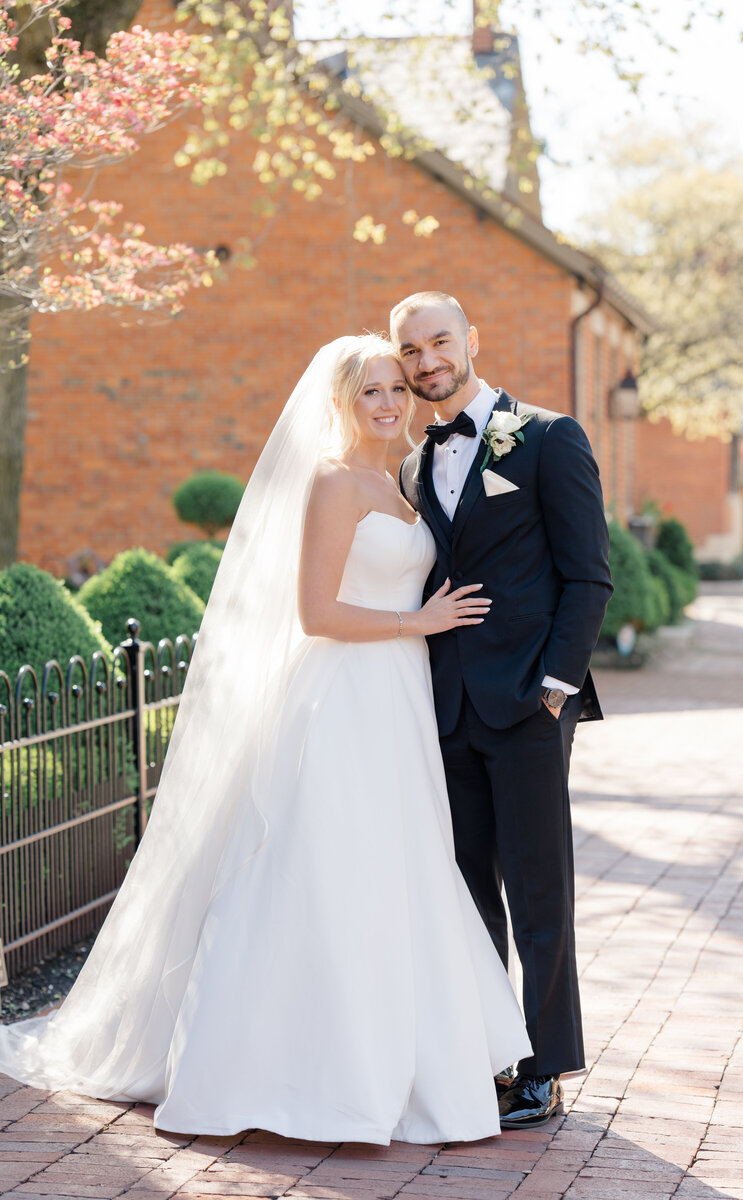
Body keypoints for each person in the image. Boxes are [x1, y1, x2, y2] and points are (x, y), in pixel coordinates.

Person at [0, 335, 531, 1144]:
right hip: (344, 696)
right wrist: (415, 621)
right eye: (370, 393)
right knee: (321, 870)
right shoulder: (330, 484)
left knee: (398, 870)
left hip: (400, 701)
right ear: (341, 403)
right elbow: (317, 613)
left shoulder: (402, 482)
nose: (389, 403)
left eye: (396, 389)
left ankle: (407, 1063)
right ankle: (294, 1073)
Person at [393, 292, 613, 1129]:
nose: (426, 362)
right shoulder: (414, 467)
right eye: (410, 350)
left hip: (527, 706)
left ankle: (547, 1065)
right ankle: (492, 1049)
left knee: (537, 892)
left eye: (439, 342)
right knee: (468, 893)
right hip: (443, 708)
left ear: (470, 341)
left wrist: (556, 688)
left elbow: (588, 574)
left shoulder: (549, 438)